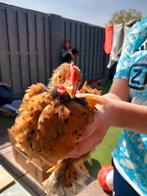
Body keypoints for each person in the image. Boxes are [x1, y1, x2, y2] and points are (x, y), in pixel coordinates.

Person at [70, 17, 147, 196]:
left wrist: (113, 113)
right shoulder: (139, 31)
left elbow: (114, 108)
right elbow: (117, 94)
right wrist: (98, 108)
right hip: (126, 167)